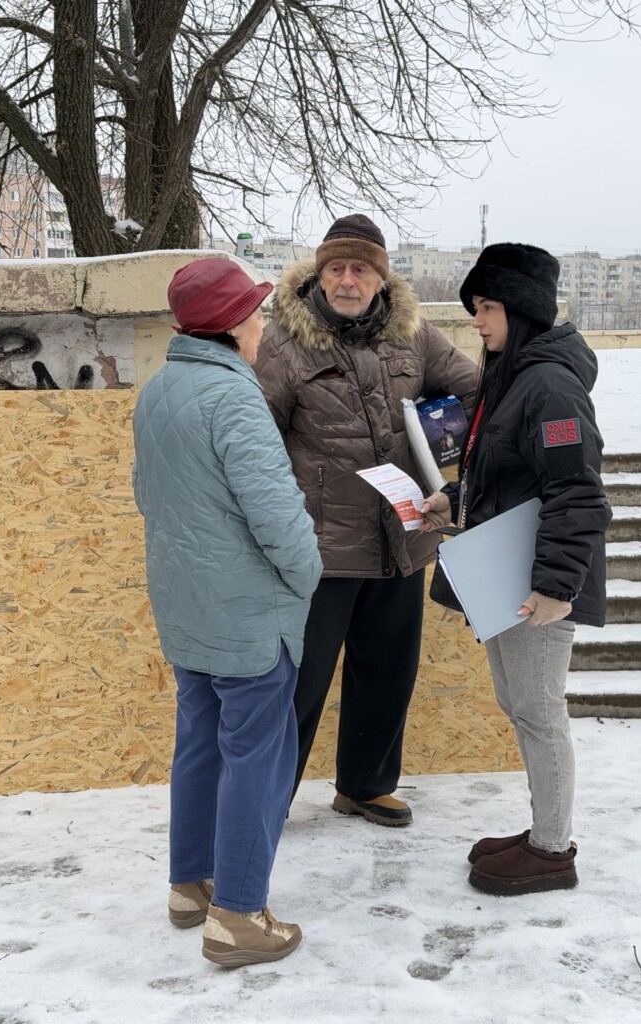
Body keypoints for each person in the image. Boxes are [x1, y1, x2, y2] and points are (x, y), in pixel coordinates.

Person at [255, 214, 478, 826]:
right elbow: (259, 437)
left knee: (388, 673)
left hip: (402, 540)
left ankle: (365, 784)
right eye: (336, 268)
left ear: (381, 278)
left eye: (360, 269)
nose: (347, 280)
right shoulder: (284, 342)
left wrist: (443, 433)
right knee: (299, 687)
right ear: (319, 274)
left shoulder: (414, 335)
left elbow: (474, 388)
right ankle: (265, 802)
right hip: (319, 548)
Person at [132, 258, 322, 966]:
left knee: (201, 743)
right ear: (231, 324)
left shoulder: (160, 389)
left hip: (189, 607)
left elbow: (147, 494)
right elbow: (277, 514)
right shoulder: (232, 398)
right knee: (257, 759)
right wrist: (306, 579)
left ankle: (191, 886)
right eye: (254, 312)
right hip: (247, 614)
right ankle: (239, 915)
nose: (262, 323)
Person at [421, 242, 612, 894]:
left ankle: (552, 850)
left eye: (488, 306)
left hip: (536, 583)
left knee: (538, 709)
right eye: (476, 307)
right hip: (505, 571)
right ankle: (539, 833)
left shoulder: (551, 388)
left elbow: (578, 492)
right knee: (517, 702)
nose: (477, 320)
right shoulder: (515, 377)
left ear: (522, 308)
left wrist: (557, 586)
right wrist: (450, 498)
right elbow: (498, 468)